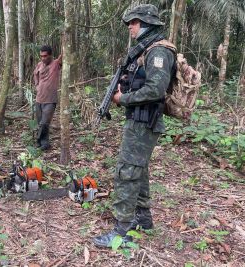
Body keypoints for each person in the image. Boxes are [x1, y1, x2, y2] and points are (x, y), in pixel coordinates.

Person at [93, 4, 176, 247]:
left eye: (135, 22)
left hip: (144, 121)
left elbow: (156, 89)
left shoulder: (159, 51)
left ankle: (122, 231)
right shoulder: (145, 50)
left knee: (127, 173)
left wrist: (123, 98)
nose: (130, 26)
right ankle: (143, 218)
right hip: (138, 119)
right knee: (138, 170)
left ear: (148, 23)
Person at [33, 45, 62, 151]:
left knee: (45, 122)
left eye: (45, 56)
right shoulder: (39, 64)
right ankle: (44, 143)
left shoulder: (56, 63)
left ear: (50, 55)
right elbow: (35, 74)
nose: (43, 58)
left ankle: (39, 142)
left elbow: (64, 53)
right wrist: (37, 85)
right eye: (41, 56)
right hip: (39, 99)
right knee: (40, 123)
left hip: (50, 100)